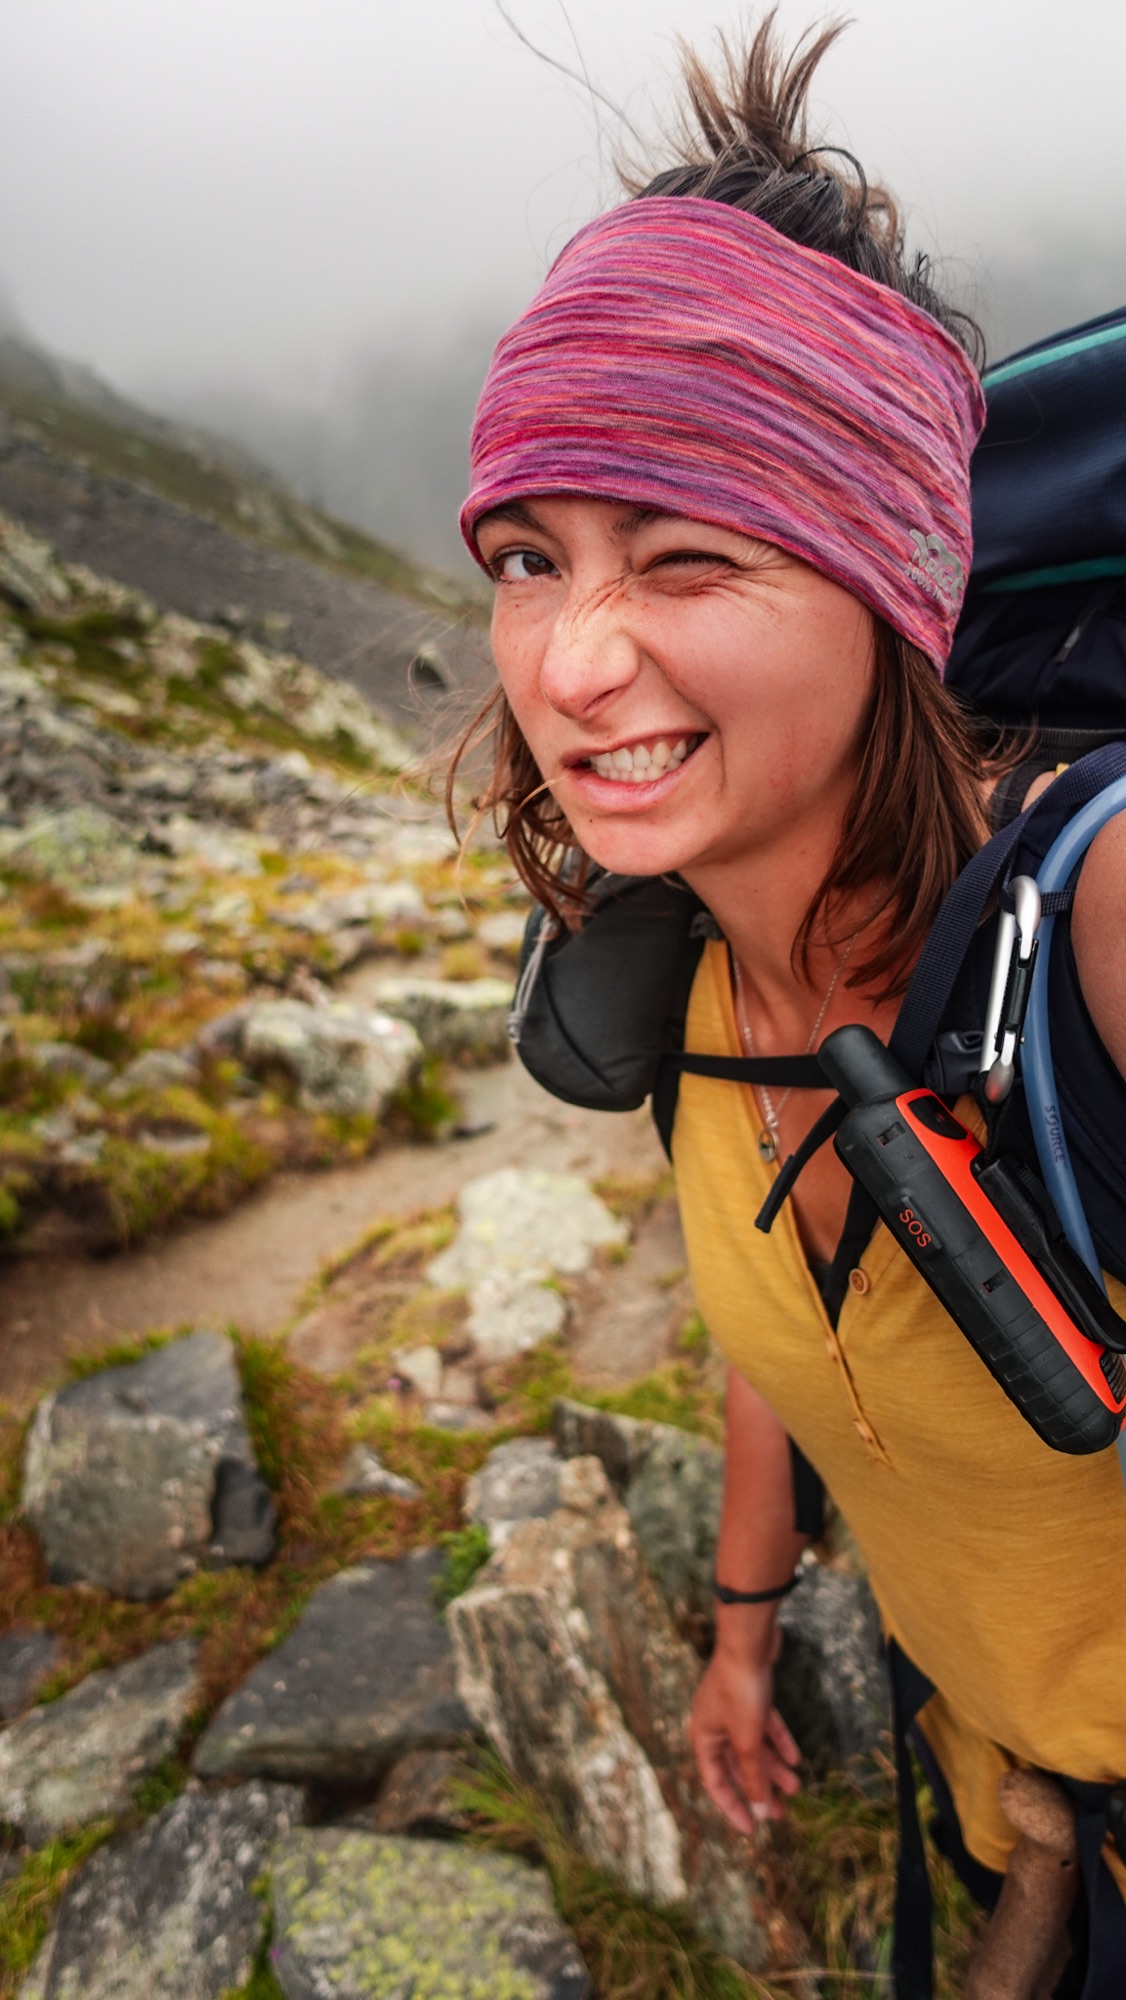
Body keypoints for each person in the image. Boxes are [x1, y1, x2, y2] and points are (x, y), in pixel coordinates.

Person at [450, 18, 1126, 1995]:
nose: (570, 663)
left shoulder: (1086, 928)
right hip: (986, 1805)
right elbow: (779, 1329)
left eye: (684, 555)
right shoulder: (678, 974)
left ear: (887, 581)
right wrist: (744, 1634)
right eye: (527, 556)